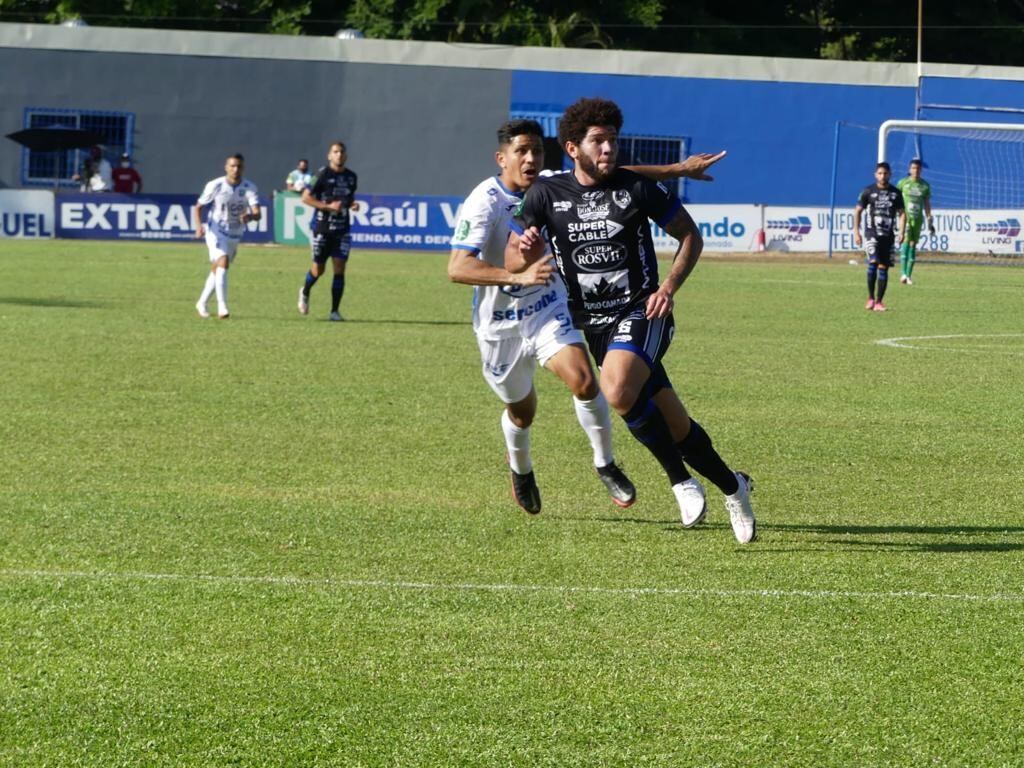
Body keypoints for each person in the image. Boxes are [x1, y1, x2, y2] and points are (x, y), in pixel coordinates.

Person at [505, 97, 756, 543]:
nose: (608, 150)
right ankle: (734, 487)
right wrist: (521, 251)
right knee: (677, 426)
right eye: (598, 141)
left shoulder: (635, 187)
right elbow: (512, 253)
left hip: (645, 310)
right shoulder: (545, 195)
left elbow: (689, 236)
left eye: (613, 141)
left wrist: (669, 289)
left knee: (616, 390)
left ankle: (680, 482)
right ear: (572, 148)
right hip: (596, 328)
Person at [193, 153, 261, 319]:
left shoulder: (249, 187)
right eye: (232, 166)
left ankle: (201, 302)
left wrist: (250, 217)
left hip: (235, 232)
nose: (235, 169)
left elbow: (258, 213)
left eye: (239, 166)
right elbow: (198, 207)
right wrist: (198, 228)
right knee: (222, 262)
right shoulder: (215, 185)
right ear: (226, 167)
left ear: (243, 168)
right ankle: (222, 307)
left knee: (218, 268)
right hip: (215, 230)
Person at [297, 142, 359, 321]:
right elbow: (305, 198)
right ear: (329, 155)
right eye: (335, 152)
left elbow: (349, 198)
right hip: (322, 229)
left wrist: (352, 204)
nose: (339, 155)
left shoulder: (351, 177)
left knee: (340, 268)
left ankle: (334, 311)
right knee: (318, 270)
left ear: (345, 156)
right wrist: (327, 207)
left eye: (341, 152)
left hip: (342, 229)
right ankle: (305, 290)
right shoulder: (322, 174)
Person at [854, 162, 906, 312]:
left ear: (890, 174)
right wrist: (856, 232)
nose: (883, 176)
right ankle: (870, 298)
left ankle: (879, 302)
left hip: (888, 236)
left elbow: (902, 213)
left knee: (884, 267)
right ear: (875, 174)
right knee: (873, 262)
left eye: (885, 173)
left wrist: (902, 232)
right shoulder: (867, 191)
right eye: (880, 173)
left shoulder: (896, 193)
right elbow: (857, 211)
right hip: (872, 234)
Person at [896, 158, 933, 285]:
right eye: (913, 168)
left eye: (917, 168)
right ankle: (903, 274)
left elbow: (927, 203)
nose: (915, 170)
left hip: (917, 219)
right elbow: (896, 199)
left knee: (913, 244)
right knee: (905, 242)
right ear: (909, 169)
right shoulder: (902, 183)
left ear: (921, 170)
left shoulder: (924, 185)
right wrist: (897, 212)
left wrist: (929, 217)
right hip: (905, 218)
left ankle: (909, 275)